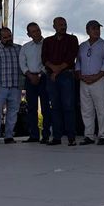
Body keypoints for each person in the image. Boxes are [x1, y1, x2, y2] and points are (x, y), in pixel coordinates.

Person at [42, 16, 79, 146]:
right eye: (60, 24)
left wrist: (56, 71)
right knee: (55, 107)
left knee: (68, 106)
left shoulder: (72, 39)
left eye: (65, 24)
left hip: (66, 75)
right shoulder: (48, 41)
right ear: (54, 26)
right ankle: (56, 137)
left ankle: (71, 137)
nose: (63, 26)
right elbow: (44, 58)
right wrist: (53, 70)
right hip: (51, 76)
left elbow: (71, 57)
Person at [76, 20, 104, 146]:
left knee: (101, 109)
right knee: (86, 109)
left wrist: (96, 77)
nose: (96, 31)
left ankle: (103, 135)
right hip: (84, 80)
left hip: (99, 80)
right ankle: (89, 135)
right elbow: (78, 63)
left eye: (98, 28)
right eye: (93, 28)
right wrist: (81, 75)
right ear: (87, 31)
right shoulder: (82, 46)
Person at [19, 22, 51, 144]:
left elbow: (48, 61)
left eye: (37, 30)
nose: (37, 33)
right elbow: (22, 63)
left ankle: (46, 135)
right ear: (29, 34)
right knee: (31, 108)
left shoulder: (47, 44)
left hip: (43, 77)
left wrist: (39, 74)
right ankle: (33, 135)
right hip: (29, 78)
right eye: (33, 31)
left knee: (45, 107)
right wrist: (29, 74)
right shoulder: (26, 47)